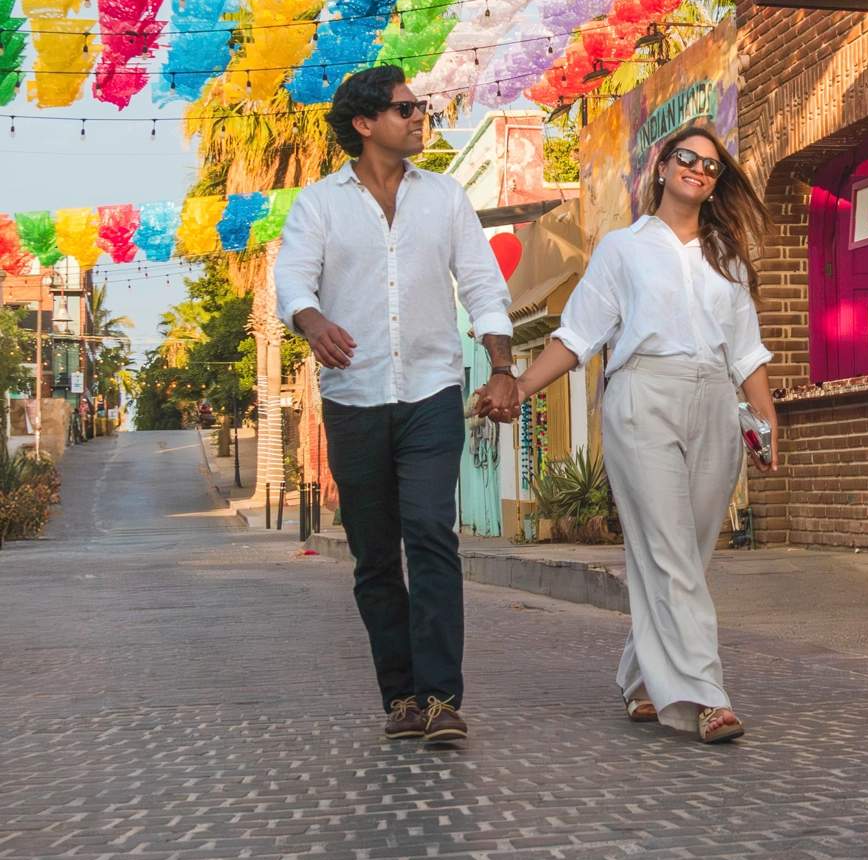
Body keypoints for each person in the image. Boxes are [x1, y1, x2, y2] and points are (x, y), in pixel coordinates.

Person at [475, 122, 778, 743]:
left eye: (711, 166)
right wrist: (519, 386)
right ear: (662, 168)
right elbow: (577, 336)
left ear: (717, 184)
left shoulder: (727, 256)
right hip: (643, 396)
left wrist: (766, 418)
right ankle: (705, 694)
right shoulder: (623, 249)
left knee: (687, 552)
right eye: (686, 158)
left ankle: (642, 680)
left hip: (715, 400)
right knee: (669, 549)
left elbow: (746, 351)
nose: (698, 169)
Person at [275, 65, 518, 748]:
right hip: (353, 400)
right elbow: (292, 277)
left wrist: (502, 367)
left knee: (432, 535)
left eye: (420, 108)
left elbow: (482, 286)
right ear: (364, 123)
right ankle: (402, 696)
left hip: (431, 393)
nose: (420, 118)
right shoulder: (319, 205)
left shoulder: (445, 199)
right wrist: (312, 321)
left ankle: (442, 697)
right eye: (407, 109)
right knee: (376, 557)